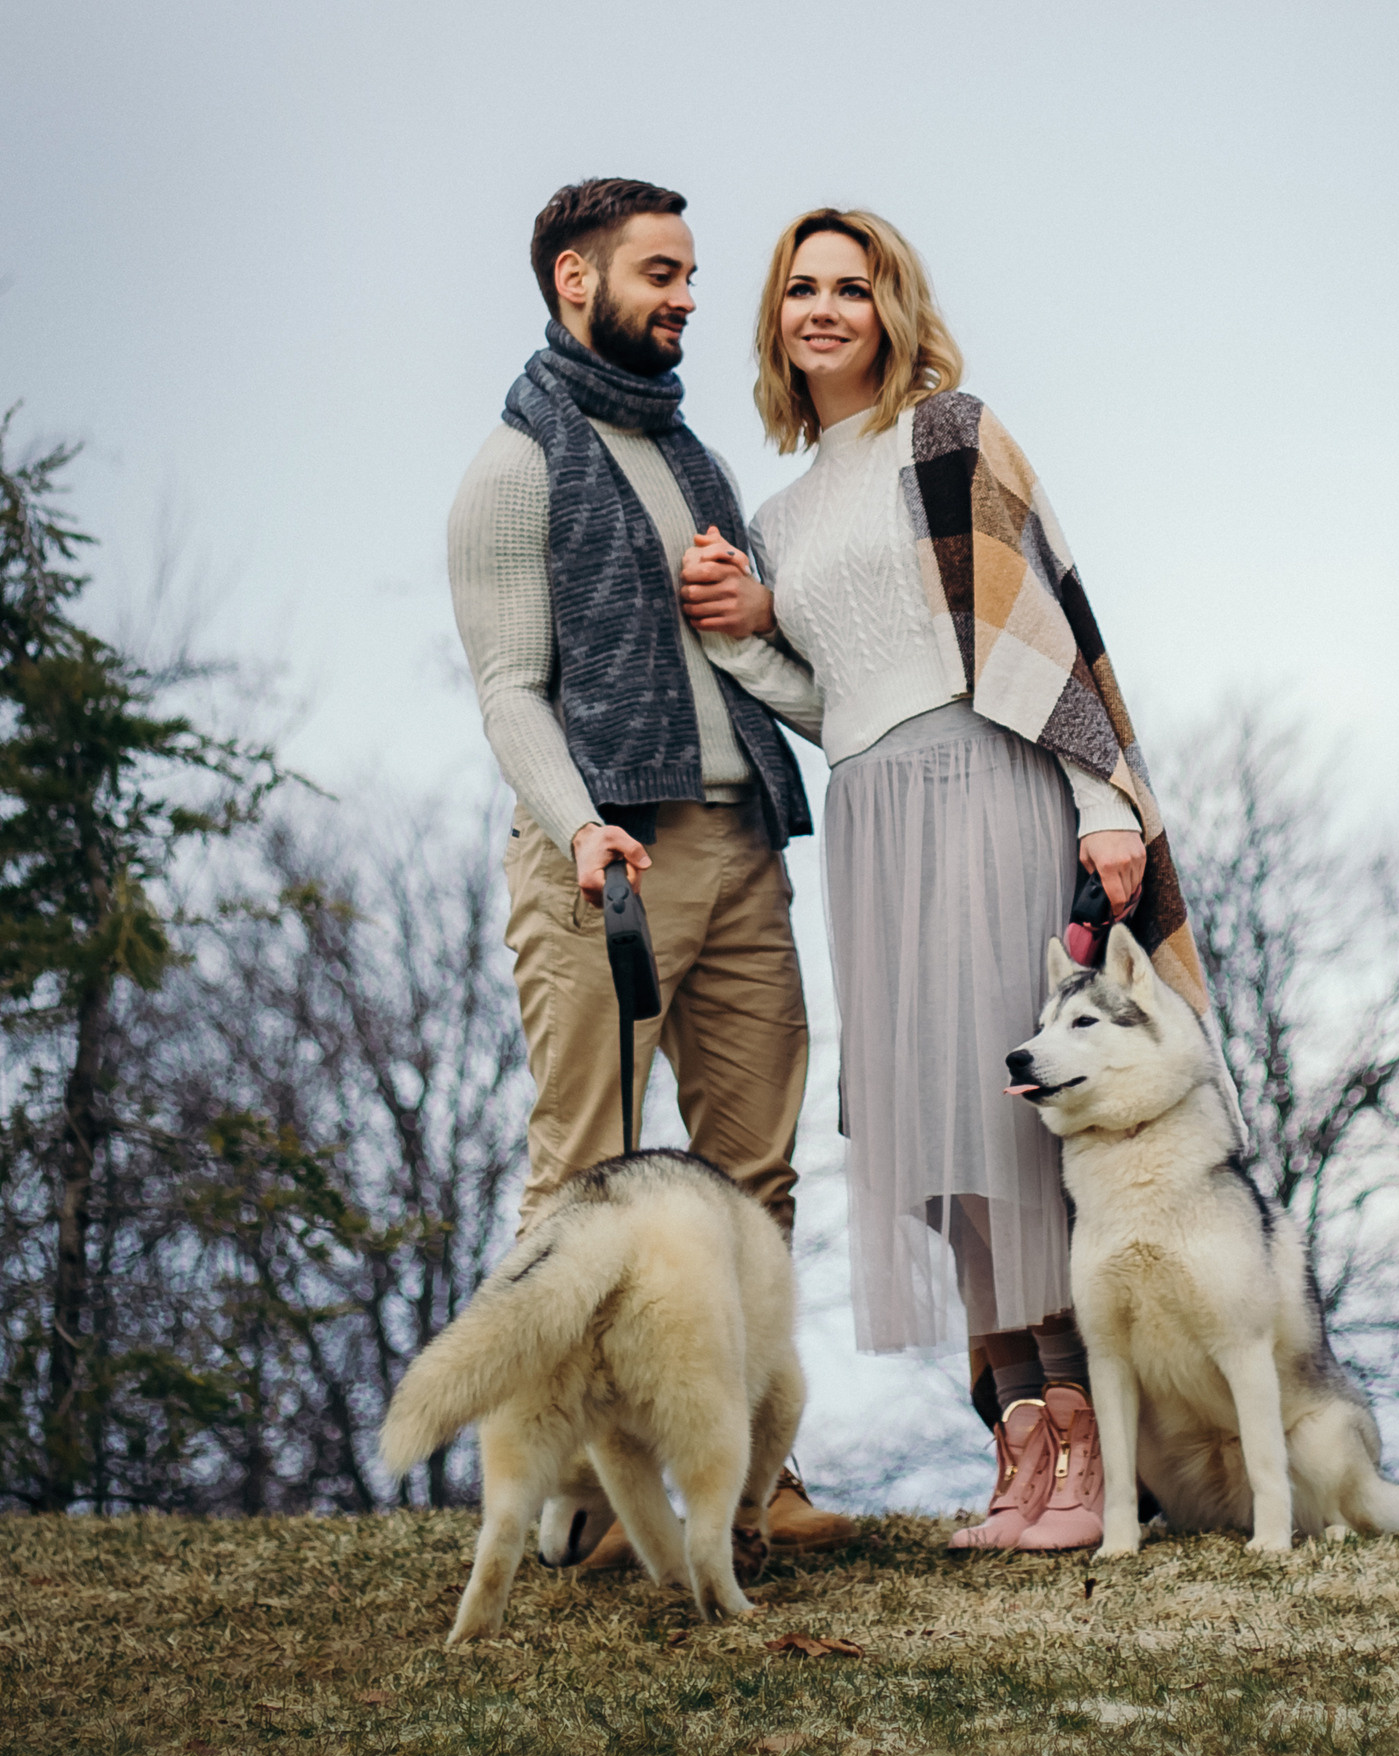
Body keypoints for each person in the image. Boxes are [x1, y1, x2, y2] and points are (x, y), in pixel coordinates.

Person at [687, 209, 1211, 1553]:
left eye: (850, 288)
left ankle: (1097, 1464)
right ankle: (1020, 1454)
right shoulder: (784, 510)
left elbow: (1050, 633)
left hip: (990, 786)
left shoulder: (951, 437)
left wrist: (1105, 804)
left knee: (1020, 1123)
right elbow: (834, 700)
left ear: (892, 308)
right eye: (799, 289)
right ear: (777, 322)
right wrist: (748, 639)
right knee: (934, 1138)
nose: (823, 309)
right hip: (870, 818)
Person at [446, 177, 853, 1553]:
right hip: (605, 866)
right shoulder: (512, 468)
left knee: (758, 1183)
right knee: (585, 1182)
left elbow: (738, 644)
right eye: (661, 274)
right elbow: (509, 690)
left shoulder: (695, 464)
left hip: (744, 851)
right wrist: (577, 825)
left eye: (690, 275)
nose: (689, 297)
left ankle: (750, 1482)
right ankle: (570, 1503)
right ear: (577, 280)